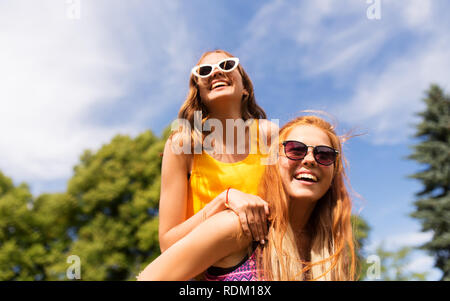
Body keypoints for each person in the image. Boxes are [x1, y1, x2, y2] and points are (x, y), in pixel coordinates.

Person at [137, 115, 357, 281]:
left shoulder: (332, 254)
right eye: (295, 150)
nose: (310, 160)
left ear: (333, 172)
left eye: (324, 154)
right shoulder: (238, 226)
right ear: (272, 162)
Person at [158, 49, 278, 258]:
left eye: (226, 66)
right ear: (199, 92)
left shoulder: (269, 135)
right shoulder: (184, 144)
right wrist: (224, 200)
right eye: (204, 71)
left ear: (245, 89)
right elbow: (168, 245)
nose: (215, 73)